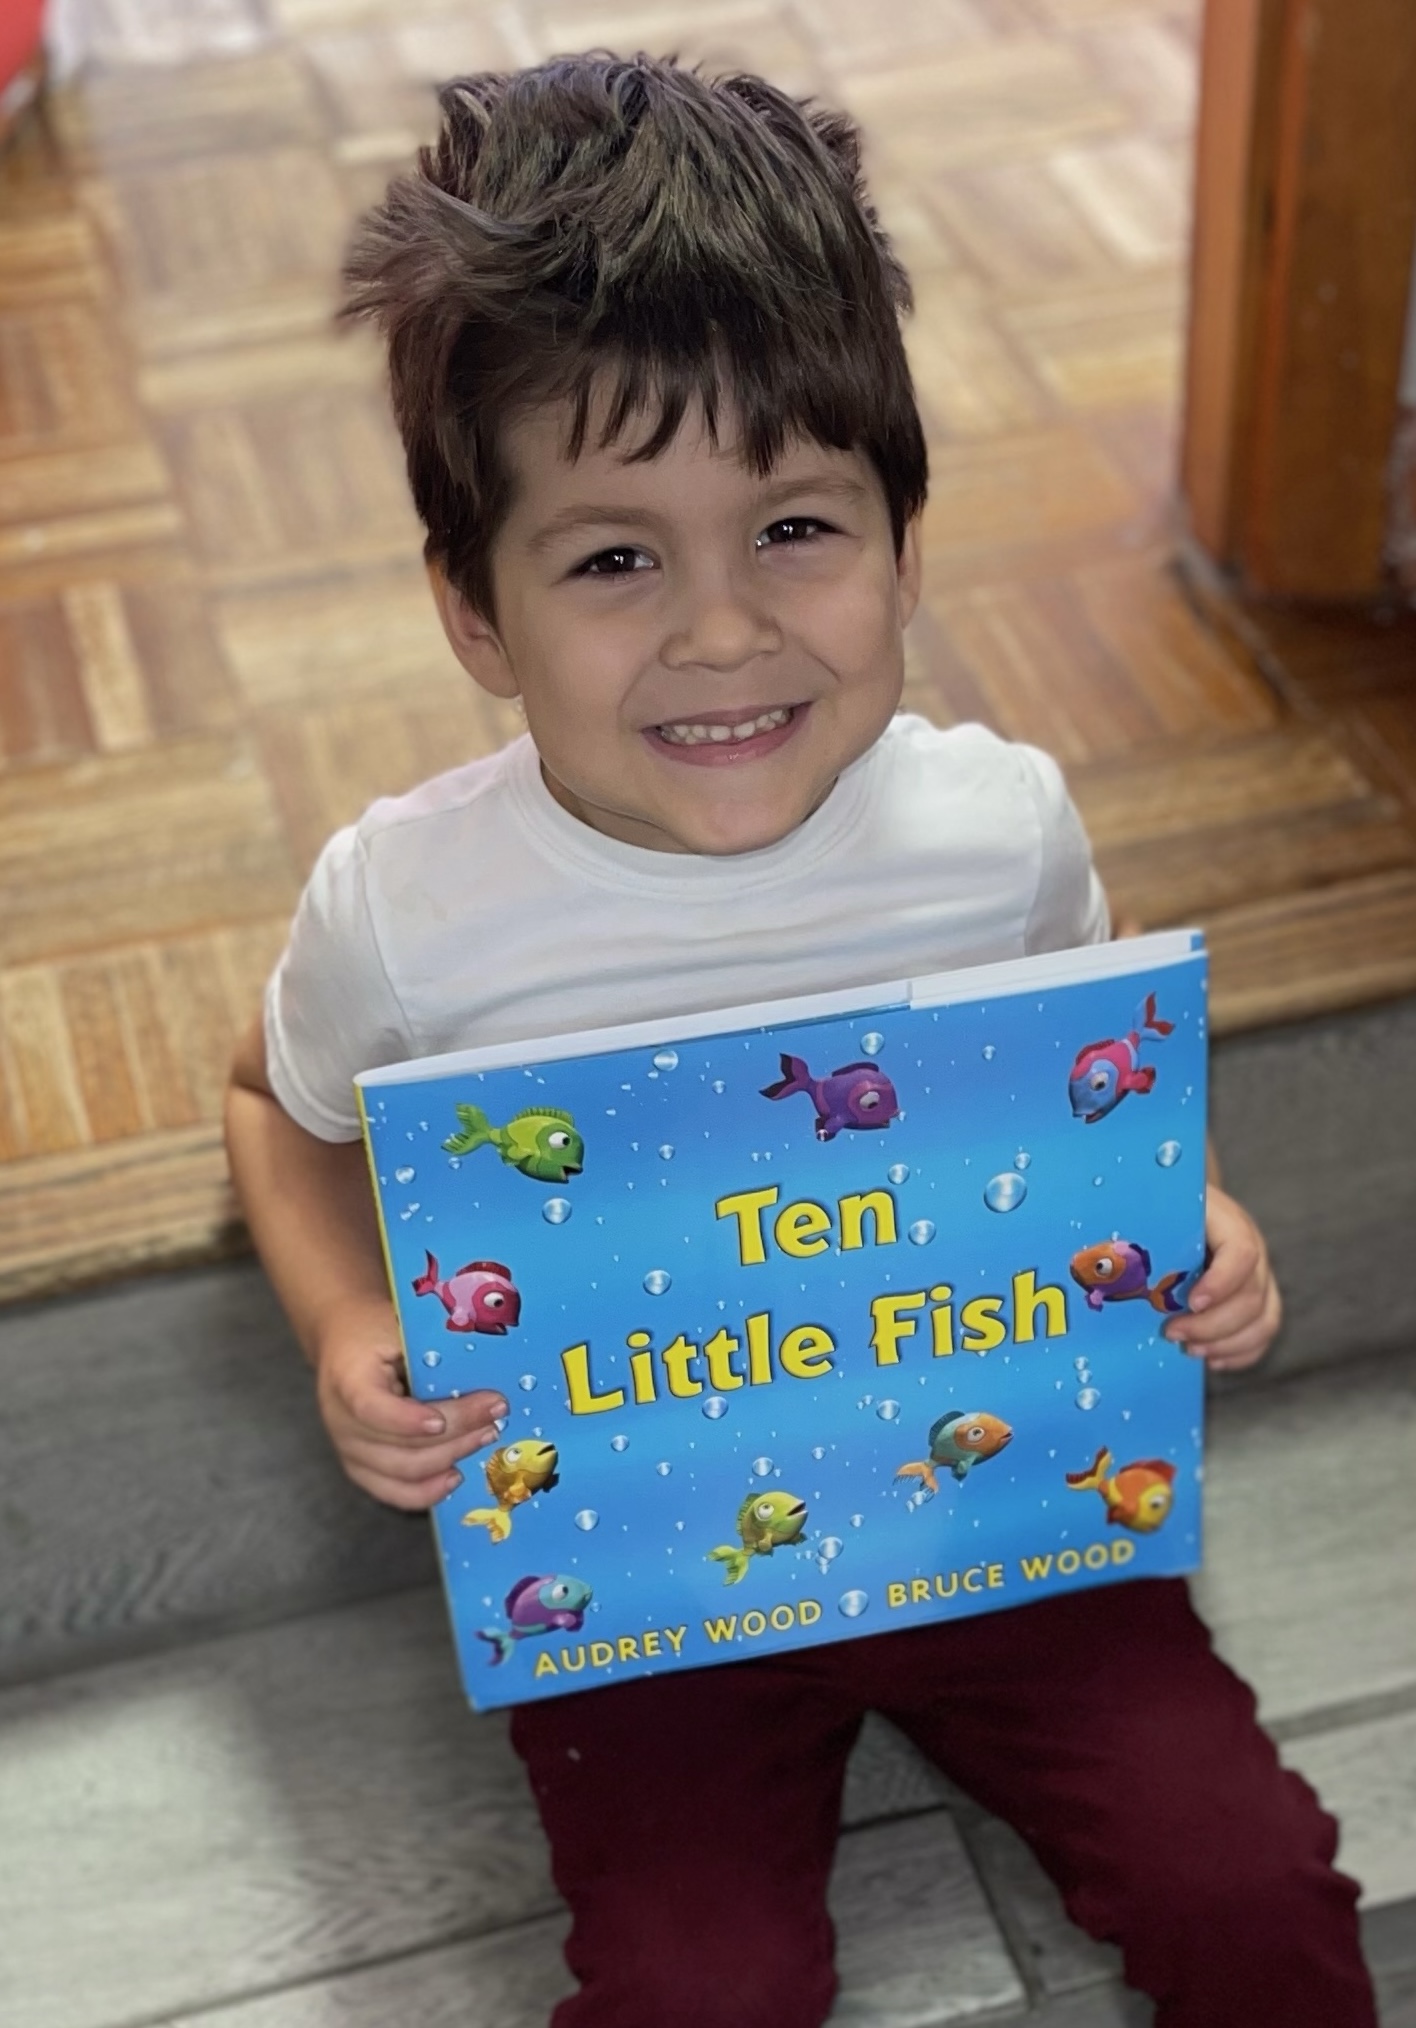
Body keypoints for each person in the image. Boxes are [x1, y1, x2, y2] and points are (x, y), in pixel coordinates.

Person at [224, 56, 1375, 2028]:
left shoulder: (1001, 827)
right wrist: (345, 1324)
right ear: (475, 614)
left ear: (906, 543)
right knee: (700, 1991)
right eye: (613, 558)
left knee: (1257, 1896)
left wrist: (1195, 1210)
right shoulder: (406, 908)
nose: (722, 633)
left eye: (795, 527)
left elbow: (1085, 1061)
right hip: (648, 1580)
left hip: (1011, 1517)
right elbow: (274, 1098)